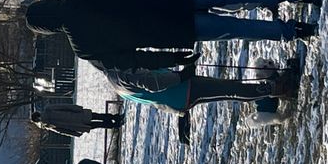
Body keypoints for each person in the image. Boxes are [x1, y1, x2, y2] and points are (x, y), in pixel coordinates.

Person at [24, 0, 321, 71]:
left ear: (50, 31)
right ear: (49, 4)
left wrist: (173, 59)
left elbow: (132, 59)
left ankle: (294, 31)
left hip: (176, 29)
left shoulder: (83, 48)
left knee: (238, 29)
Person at [106, 59, 301, 113]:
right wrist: (181, 75)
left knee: (229, 88)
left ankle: (275, 88)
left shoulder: (115, 82)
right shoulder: (118, 74)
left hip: (180, 93)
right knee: (230, 90)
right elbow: (152, 83)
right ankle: (279, 89)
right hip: (182, 92)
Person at [31, 102, 123, 137]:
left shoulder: (48, 125)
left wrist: (75, 134)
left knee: (97, 124)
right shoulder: (49, 109)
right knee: (97, 116)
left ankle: (114, 125)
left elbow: (63, 131)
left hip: (77, 126)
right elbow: (64, 106)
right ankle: (115, 118)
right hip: (77, 114)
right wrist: (76, 108)